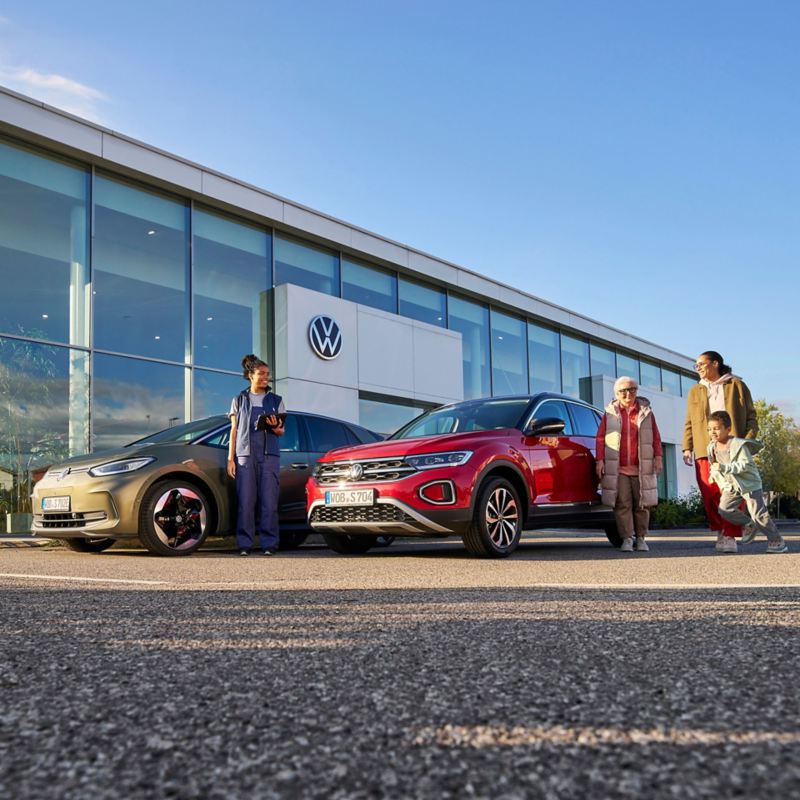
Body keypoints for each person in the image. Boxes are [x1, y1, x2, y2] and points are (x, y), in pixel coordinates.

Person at [682, 350, 757, 554]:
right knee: (709, 492)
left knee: (732, 491)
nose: (698, 369)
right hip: (704, 448)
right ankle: (721, 528)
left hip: (732, 447)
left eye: (701, 364)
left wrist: (747, 443)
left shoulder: (736, 385)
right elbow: (690, 420)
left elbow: (751, 416)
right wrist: (687, 446)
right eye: (696, 366)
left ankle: (730, 534)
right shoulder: (695, 391)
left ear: (715, 364)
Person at [596, 376, 663, 553]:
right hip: (618, 468)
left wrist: (658, 457)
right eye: (623, 391)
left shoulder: (646, 413)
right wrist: (600, 460)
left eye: (632, 389)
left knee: (642, 504)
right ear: (616, 394)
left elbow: (656, 437)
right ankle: (627, 538)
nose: (628, 394)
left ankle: (641, 538)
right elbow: (600, 438)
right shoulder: (609, 414)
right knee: (622, 503)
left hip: (642, 467)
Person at [227, 354, 285, 556]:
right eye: (261, 374)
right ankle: (245, 544)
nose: (265, 377)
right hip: (244, 456)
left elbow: (281, 431)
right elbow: (233, 430)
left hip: (269, 456)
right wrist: (230, 459)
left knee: (269, 503)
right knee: (246, 502)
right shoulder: (239, 400)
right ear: (250, 375)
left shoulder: (276, 400)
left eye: (267, 374)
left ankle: (269, 544)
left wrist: (274, 426)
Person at [707, 410, 787, 554]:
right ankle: (748, 524)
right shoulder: (712, 447)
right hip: (732, 485)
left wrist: (725, 467)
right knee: (724, 509)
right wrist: (713, 474)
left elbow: (745, 465)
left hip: (749, 484)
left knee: (759, 515)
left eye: (717, 428)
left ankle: (777, 541)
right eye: (710, 429)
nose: (713, 432)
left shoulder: (738, 445)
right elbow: (714, 464)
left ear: (728, 429)